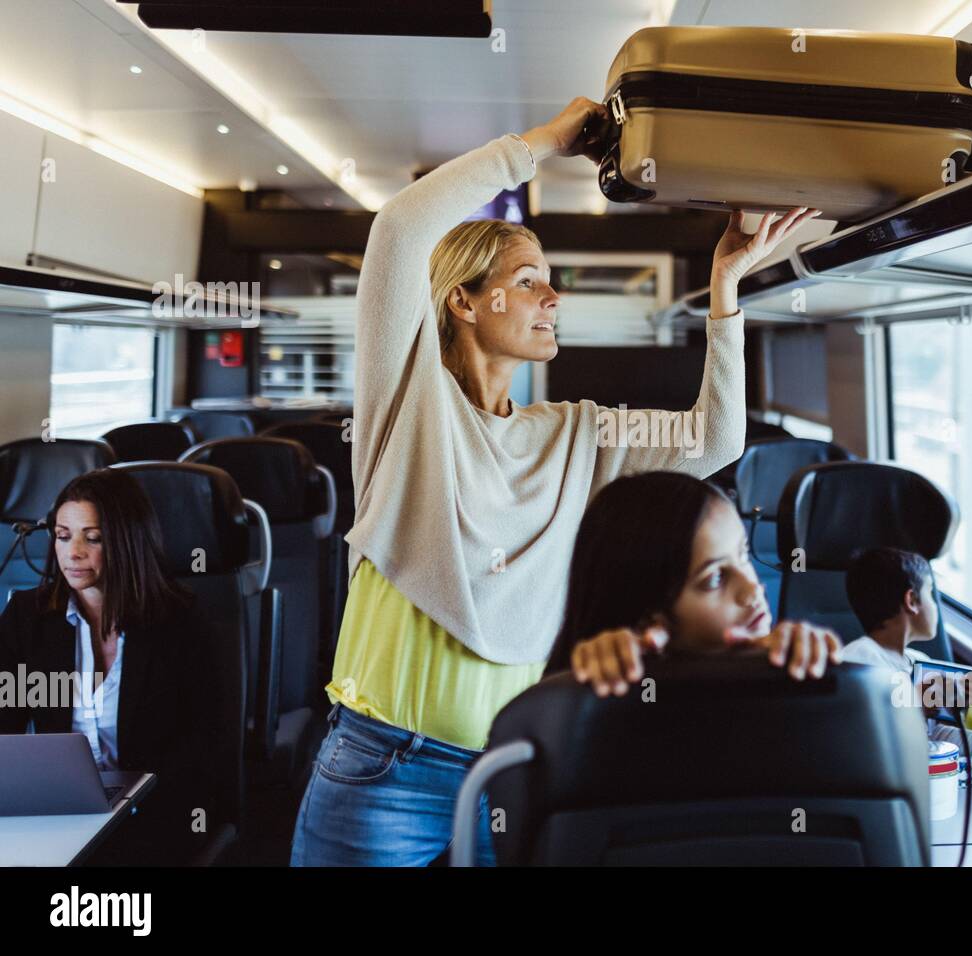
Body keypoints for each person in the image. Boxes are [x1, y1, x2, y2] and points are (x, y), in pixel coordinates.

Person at [289, 95, 822, 866]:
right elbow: (400, 229)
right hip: (384, 771)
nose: (554, 297)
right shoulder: (408, 408)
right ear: (464, 300)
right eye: (530, 280)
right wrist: (541, 143)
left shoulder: (575, 433)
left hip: (517, 766)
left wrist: (726, 286)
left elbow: (715, 440)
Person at [0, 468, 226, 865]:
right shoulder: (28, 617)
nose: (73, 553)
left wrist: (129, 804)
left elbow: (204, 751)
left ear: (125, 541)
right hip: (55, 813)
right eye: (63, 535)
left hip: (153, 816)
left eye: (93, 538)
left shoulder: (180, 624)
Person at [547, 471, 842, 690]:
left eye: (744, 554)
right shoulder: (591, 705)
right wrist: (586, 679)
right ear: (648, 622)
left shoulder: (782, 676)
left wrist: (805, 669)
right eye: (715, 578)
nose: (753, 588)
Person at [840, 546, 937, 676]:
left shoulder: (920, 660)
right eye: (930, 593)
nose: (934, 605)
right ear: (911, 601)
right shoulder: (858, 658)